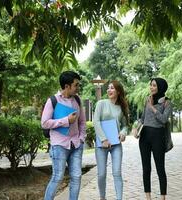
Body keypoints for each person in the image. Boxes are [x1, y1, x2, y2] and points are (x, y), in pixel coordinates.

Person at [41, 71, 86, 200]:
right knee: (58, 177)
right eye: (76, 85)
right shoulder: (53, 100)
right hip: (59, 145)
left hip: (76, 144)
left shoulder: (77, 100)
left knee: (77, 177)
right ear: (67, 86)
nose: (78, 88)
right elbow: (44, 123)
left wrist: (81, 138)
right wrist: (66, 120)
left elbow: (82, 122)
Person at [134, 78, 172, 200]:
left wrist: (152, 107)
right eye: (150, 85)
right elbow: (143, 118)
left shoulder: (167, 103)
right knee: (146, 168)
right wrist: (136, 128)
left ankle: (162, 197)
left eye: (154, 85)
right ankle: (148, 197)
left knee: (160, 168)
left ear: (160, 87)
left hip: (158, 136)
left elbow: (163, 119)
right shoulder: (147, 99)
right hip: (145, 136)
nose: (151, 87)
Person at [93, 80, 129, 200]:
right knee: (101, 174)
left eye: (112, 88)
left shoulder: (121, 107)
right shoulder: (101, 103)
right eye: (108, 88)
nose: (109, 90)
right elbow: (96, 122)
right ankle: (102, 198)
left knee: (117, 173)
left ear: (118, 91)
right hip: (101, 145)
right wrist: (103, 139)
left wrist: (123, 133)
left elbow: (125, 125)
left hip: (116, 145)